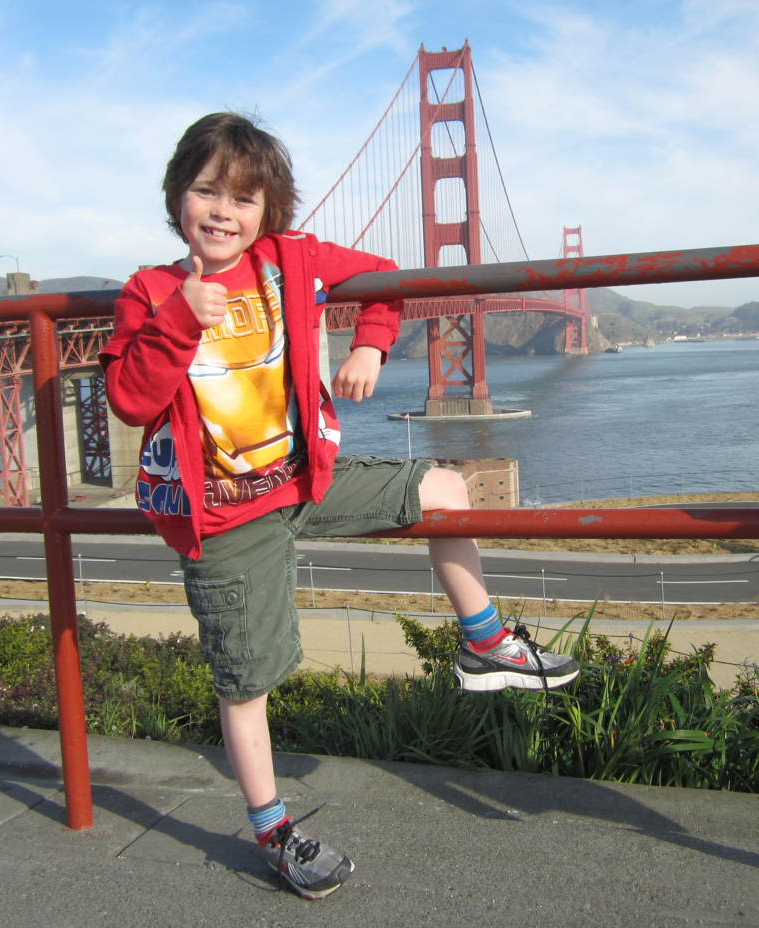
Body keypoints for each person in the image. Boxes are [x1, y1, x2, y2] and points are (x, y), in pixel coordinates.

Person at [101, 112, 580, 900]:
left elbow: (383, 277)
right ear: (176, 197)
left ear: (270, 211)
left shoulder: (293, 261)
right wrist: (182, 318)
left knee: (445, 489)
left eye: (244, 198)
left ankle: (485, 642)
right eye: (206, 191)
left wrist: (369, 343)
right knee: (244, 685)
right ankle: (275, 831)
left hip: (303, 479)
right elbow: (128, 395)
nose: (223, 211)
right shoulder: (150, 293)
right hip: (225, 516)